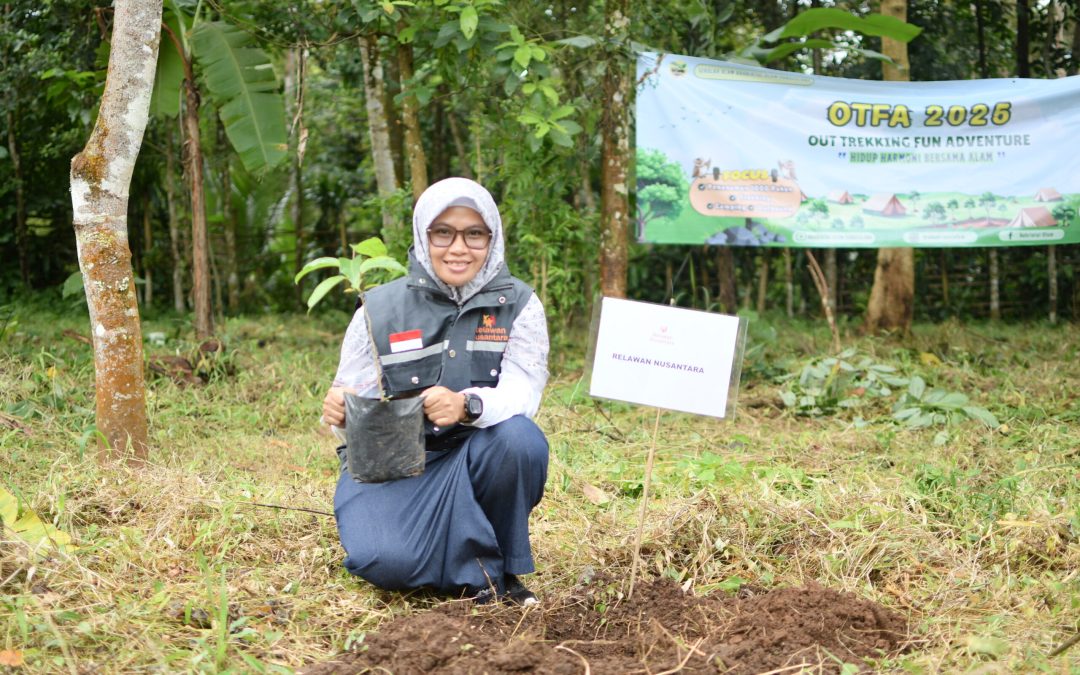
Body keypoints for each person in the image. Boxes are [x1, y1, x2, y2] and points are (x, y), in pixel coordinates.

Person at [322, 177, 550, 605]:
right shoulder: (379, 307)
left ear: (492, 238)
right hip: (394, 463)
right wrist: (340, 411)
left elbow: (524, 390)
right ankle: (459, 561)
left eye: (474, 234)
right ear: (422, 234)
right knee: (384, 562)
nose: (458, 248)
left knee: (520, 441)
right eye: (443, 232)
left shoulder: (519, 304)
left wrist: (468, 405)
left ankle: (497, 574)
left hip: (476, 456)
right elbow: (350, 400)